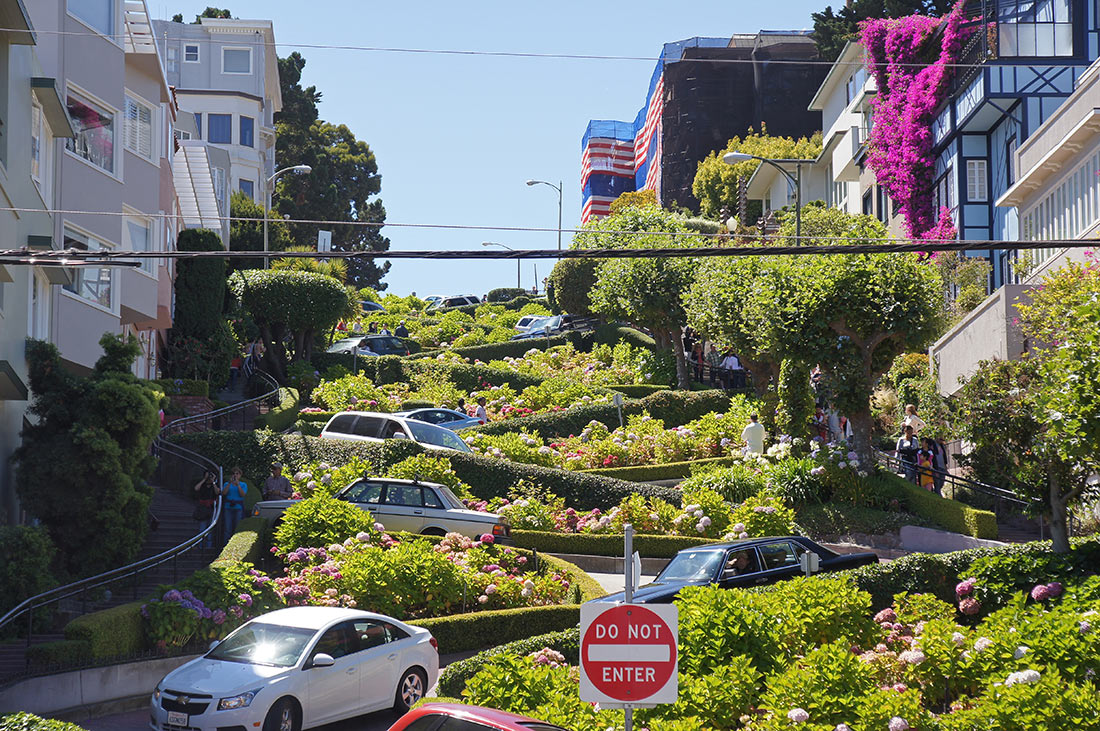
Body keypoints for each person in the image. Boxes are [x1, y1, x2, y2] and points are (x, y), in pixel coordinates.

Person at [192, 471, 218, 547]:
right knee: (202, 528)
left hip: (211, 508)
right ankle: (200, 545)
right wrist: (204, 479)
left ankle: (208, 547)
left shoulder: (215, 485)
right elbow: (196, 488)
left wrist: (213, 482)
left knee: (210, 528)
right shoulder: (202, 485)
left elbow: (218, 492)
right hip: (202, 509)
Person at [221, 467, 248, 538]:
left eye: (237, 474)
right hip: (228, 507)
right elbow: (224, 493)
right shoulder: (227, 484)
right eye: (233, 473)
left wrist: (238, 485)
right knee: (227, 528)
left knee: (237, 527)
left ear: (240, 475)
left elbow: (242, 494)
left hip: (238, 507)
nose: (235, 475)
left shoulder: (243, 484)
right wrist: (230, 483)